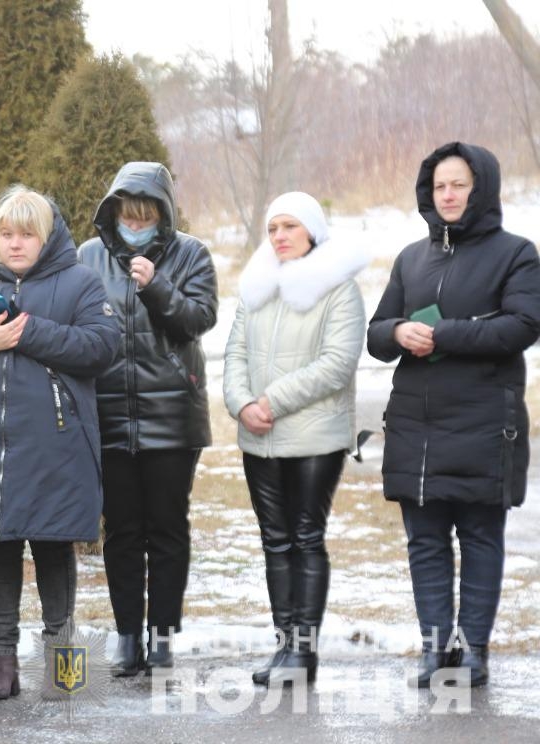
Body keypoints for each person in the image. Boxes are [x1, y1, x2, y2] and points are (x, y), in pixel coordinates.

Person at [0, 186, 117, 701]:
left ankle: (64, 662)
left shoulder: (80, 281)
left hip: (54, 444)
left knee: (54, 547)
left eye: (26, 235)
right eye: (6, 234)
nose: (15, 244)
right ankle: (3, 661)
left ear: (47, 237)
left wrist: (27, 332)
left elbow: (102, 347)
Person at [368, 142, 540, 688]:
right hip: (416, 427)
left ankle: (474, 652)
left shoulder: (517, 254)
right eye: (440, 185)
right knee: (424, 541)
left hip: (487, 423)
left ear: (480, 188)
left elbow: (522, 326)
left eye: (459, 184)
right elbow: (375, 334)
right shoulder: (411, 258)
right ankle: (434, 648)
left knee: (481, 539)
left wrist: (441, 334)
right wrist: (398, 332)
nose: (448, 194)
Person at [76, 162, 217, 675]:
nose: (136, 226)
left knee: (167, 528)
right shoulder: (89, 257)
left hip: (172, 415)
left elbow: (199, 320)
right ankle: (127, 636)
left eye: (146, 216)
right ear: (112, 214)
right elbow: (77, 325)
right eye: (126, 216)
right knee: (122, 530)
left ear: (163, 214)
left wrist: (157, 286)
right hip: (109, 412)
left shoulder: (191, 253)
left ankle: (162, 636)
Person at [223, 192, 367, 685]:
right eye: (273, 228)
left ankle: (304, 652)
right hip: (258, 438)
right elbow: (234, 354)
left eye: (290, 226)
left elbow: (336, 363)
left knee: (306, 537)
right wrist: (242, 404)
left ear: (311, 230)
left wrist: (272, 401)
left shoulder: (338, 289)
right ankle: (284, 646)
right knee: (274, 541)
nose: (280, 236)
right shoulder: (257, 287)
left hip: (314, 439)